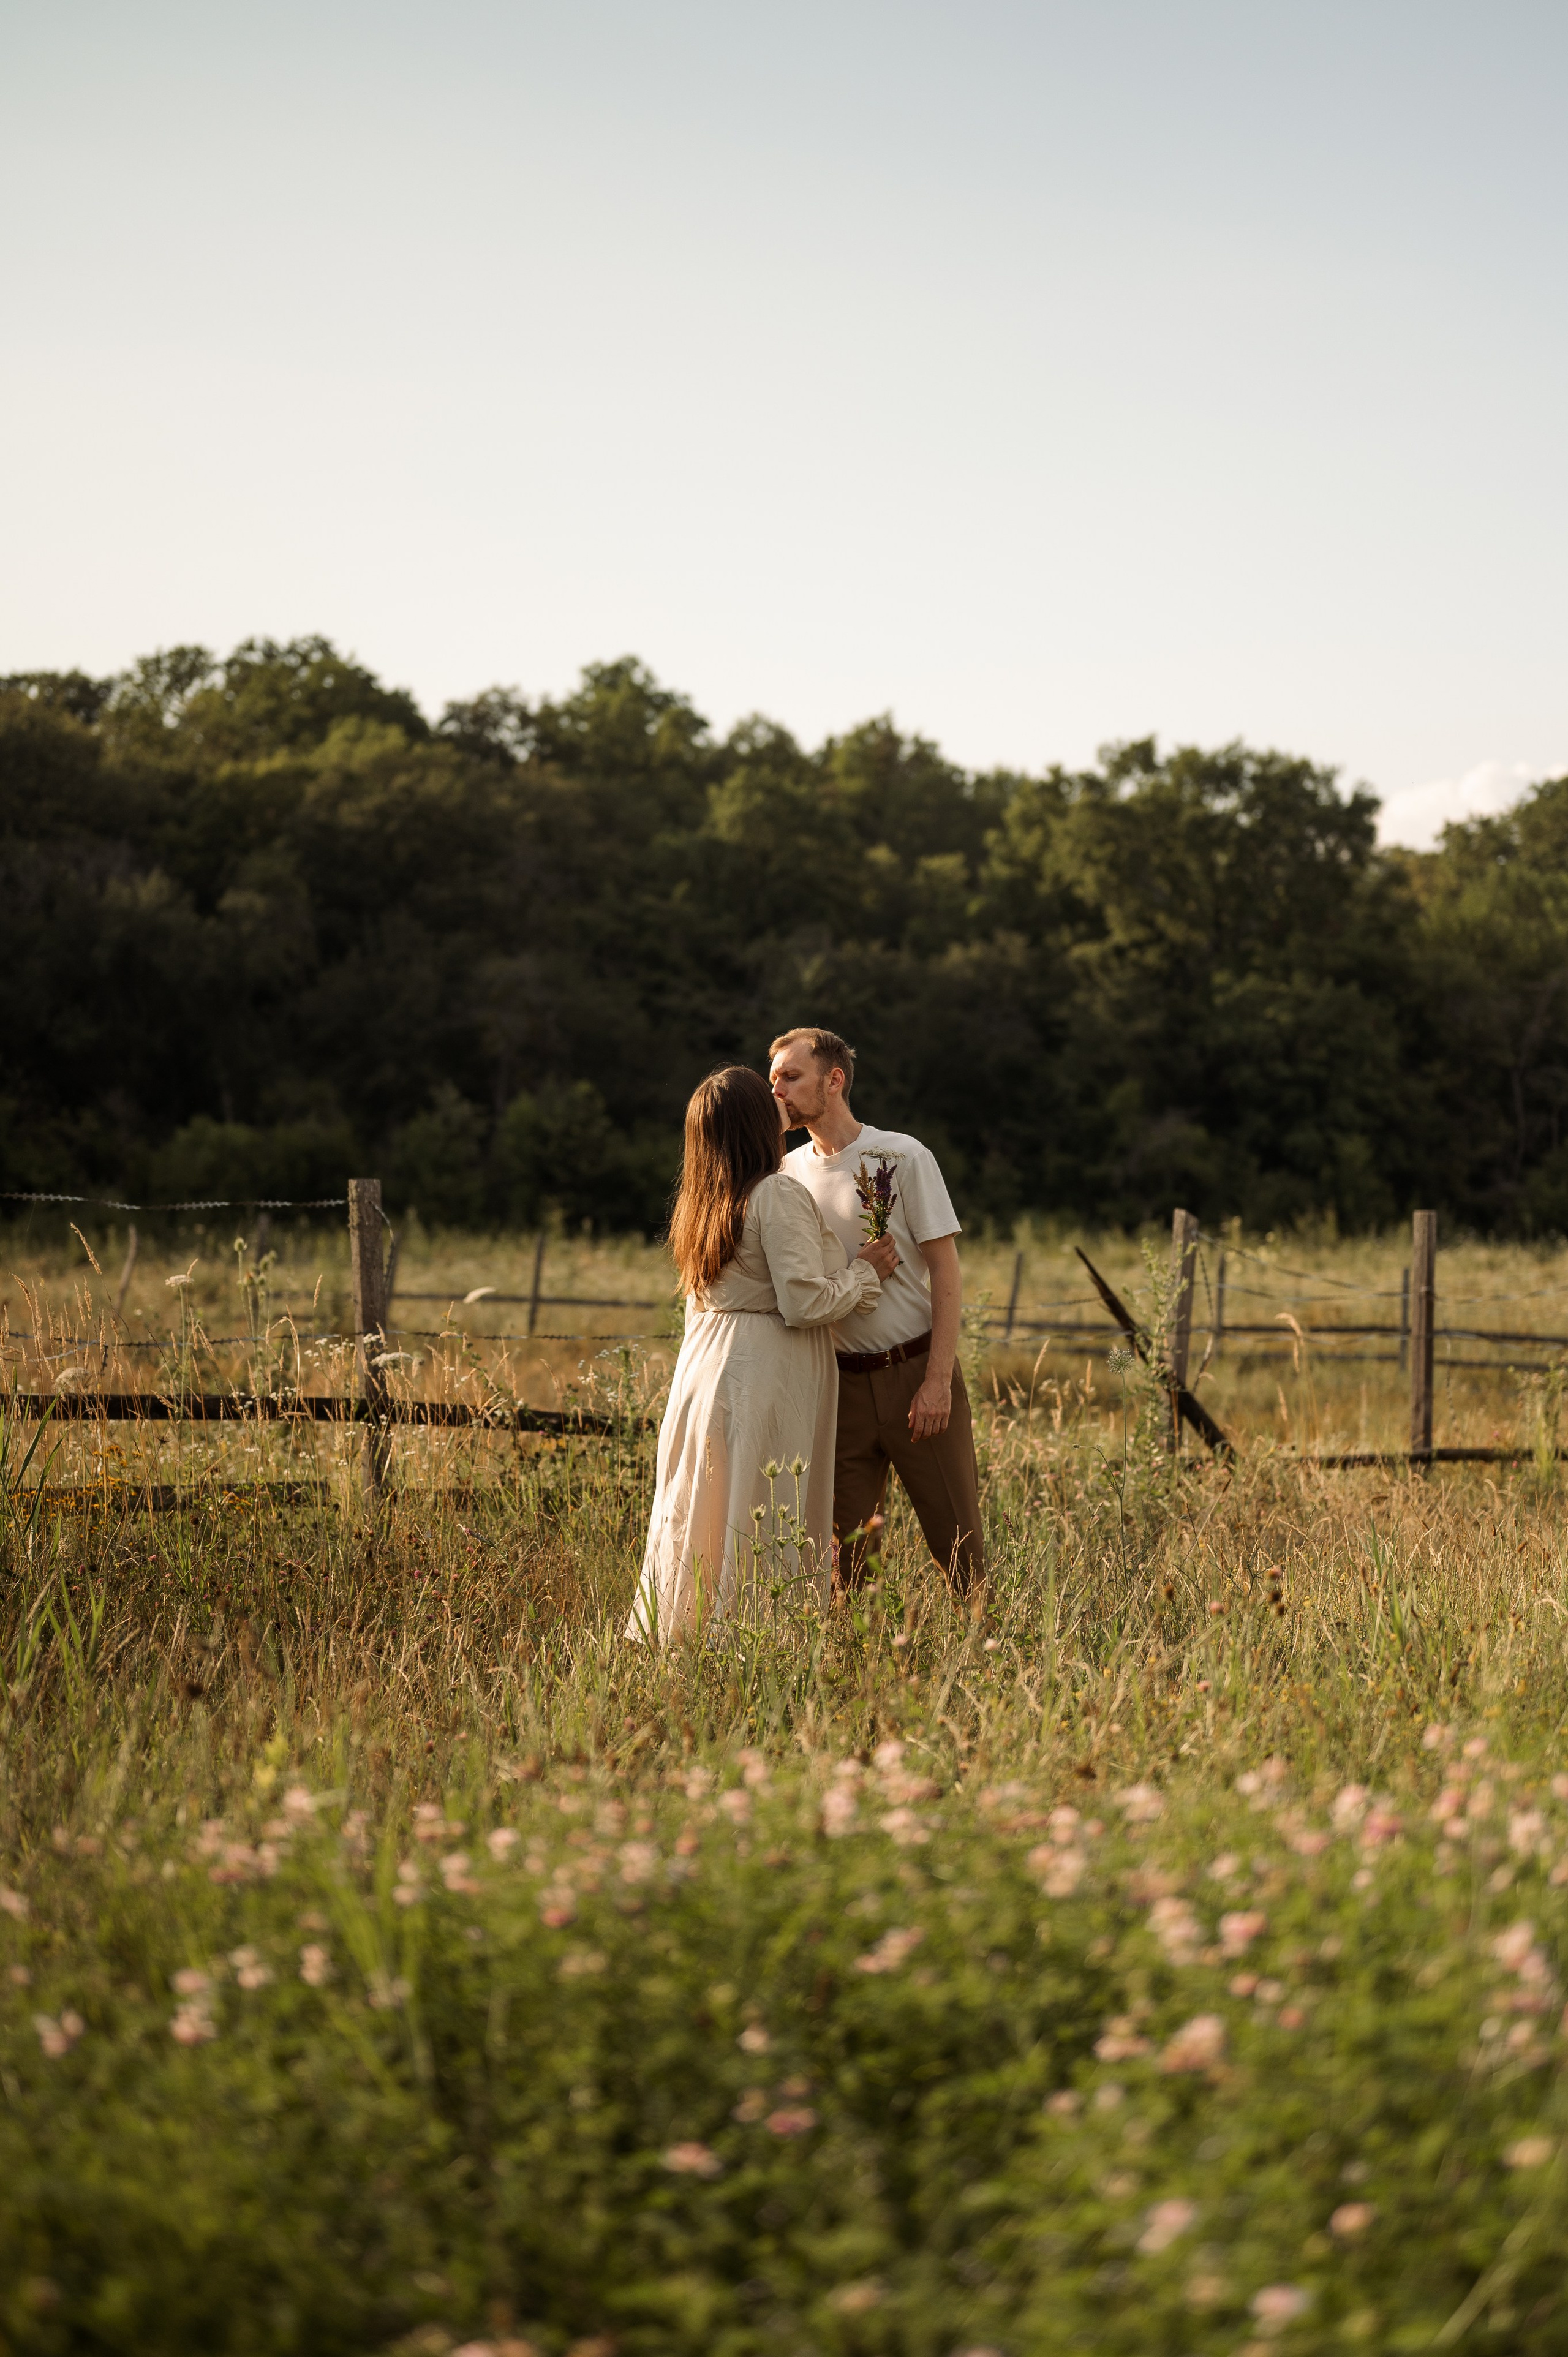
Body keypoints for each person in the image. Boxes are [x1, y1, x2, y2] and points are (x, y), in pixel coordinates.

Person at [629, 1063, 897, 1643]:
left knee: (709, 1505)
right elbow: (803, 1301)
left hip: (705, 1369)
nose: (779, 1094)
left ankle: (694, 1640)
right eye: (766, 1092)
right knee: (763, 1506)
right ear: (754, 1118)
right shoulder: (774, 1192)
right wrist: (864, 1273)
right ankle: (755, 1644)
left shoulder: (702, 1200)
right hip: (761, 1369)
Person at [768, 1026, 984, 1599]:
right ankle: (856, 1653)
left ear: (833, 1080)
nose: (778, 1092)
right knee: (847, 1560)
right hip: (835, 1385)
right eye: (773, 1081)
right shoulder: (784, 1173)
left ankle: (986, 1646)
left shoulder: (903, 1155)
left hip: (915, 1373)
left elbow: (946, 1271)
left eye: (791, 1077)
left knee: (958, 1544)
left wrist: (937, 1381)